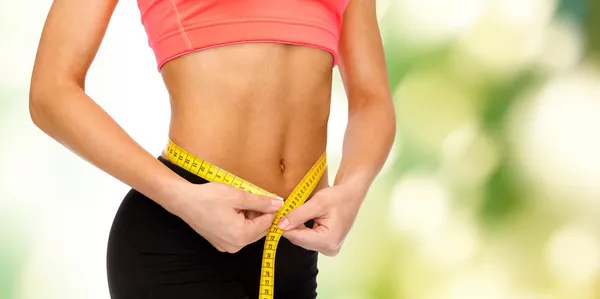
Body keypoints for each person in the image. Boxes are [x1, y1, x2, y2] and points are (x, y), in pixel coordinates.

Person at [29, 0, 396, 298]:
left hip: (293, 253)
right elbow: (51, 91)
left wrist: (352, 189)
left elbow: (370, 97)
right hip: (182, 239)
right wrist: (180, 196)